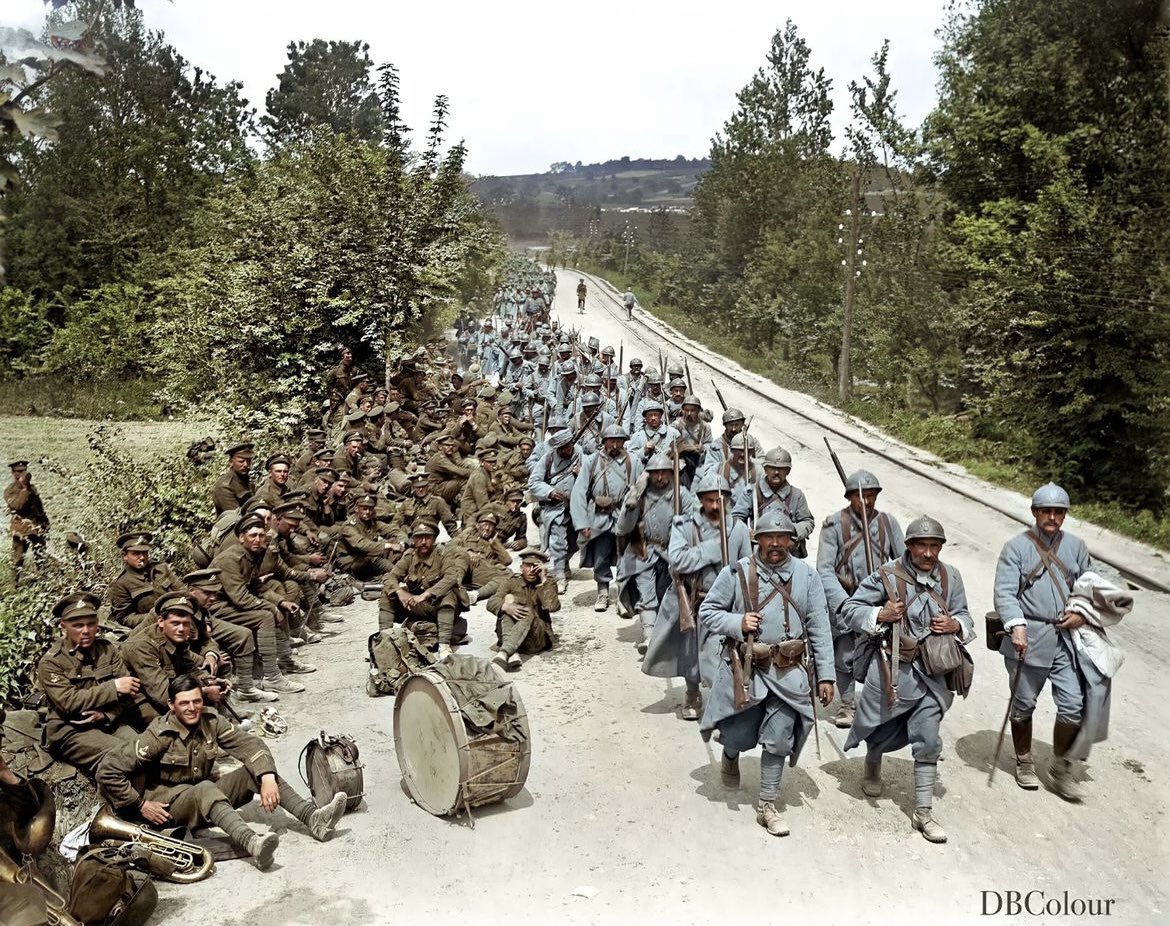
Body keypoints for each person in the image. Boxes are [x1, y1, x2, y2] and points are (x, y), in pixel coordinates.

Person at [97, 675, 347, 871]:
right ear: (171, 706)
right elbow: (107, 771)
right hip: (170, 810)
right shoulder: (157, 736)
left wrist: (267, 777)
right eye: (184, 703)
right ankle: (253, 843)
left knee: (254, 772)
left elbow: (251, 746)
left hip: (206, 800)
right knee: (206, 788)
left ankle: (314, 819)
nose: (192, 708)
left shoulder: (211, 721)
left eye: (197, 701)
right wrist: (140, 805)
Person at [698, 511, 835, 836]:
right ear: (757, 539)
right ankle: (730, 753)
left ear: (792, 540)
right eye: (768, 537)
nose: (775, 544)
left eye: (782, 537)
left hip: (789, 672)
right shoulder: (736, 572)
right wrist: (737, 622)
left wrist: (826, 674)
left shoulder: (807, 576)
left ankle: (767, 805)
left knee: (778, 737)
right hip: (748, 670)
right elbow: (708, 611)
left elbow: (819, 626)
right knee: (739, 734)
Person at [842, 516, 973, 844]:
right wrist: (879, 615)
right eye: (921, 546)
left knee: (928, 739)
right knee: (877, 725)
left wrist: (955, 625)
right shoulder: (886, 575)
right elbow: (850, 608)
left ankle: (923, 812)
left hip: (934, 672)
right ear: (910, 547)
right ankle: (873, 759)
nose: (928, 553)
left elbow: (966, 615)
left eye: (934, 546)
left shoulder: (950, 576)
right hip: (892, 668)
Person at [992, 482, 1098, 801]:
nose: (1052, 517)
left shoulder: (1077, 547)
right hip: (1028, 636)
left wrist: (1080, 612)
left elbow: (1089, 588)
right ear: (1035, 513)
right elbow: (1004, 593)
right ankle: (1024, 761)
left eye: (1058, 512)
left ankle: (1059, 766)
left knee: (1073, 705)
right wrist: (1017, 625)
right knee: (1023, 704)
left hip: (1066, 638)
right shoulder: (1016, 548)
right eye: (1046, 511)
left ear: (1064, 515)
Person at [642, 472, 751, 720]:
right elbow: (677, 561)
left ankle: (722, 699)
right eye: (709, 500)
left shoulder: (739, 529)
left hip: (726, 604)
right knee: (690, 651)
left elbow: (747, 567)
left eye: (719, 501)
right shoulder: (684, 526)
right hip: (692, 598)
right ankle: (692, 693)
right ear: (700, 500)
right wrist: (711, 550)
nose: (714, 506)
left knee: (723, 652)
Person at [816, 470, 904, 730]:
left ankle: (884, 699)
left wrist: (895, 598)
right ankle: (847, 703)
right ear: (849, 497)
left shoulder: (889, 523)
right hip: (847, 595)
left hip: (879, 599)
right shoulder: (834, 525)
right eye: (858, 496)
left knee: (885, 651)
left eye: (870, 496)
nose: (865, 502)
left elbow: (903, 564)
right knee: (845, 654)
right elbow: (824, 569)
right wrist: (843, 605)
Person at [37, 592, 157, 771]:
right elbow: (69, 702)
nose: (86, 631)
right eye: (77, 625)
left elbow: (128, 693)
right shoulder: (51, 662)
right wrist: (114, 687)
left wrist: (106, 715)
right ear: (63, 626)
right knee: (126, 755)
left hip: (109, 721)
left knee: (146, 750)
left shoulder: (107, 650)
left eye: (91, 624)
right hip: (71, 730)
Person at [210, 515, 307, 696]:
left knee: (278, 606)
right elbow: (240, 597)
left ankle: (284, 659)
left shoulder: (252, 554)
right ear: (241, 538)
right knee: (265, 616)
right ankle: (272, 677)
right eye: (252, 535)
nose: (257, 540)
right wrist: (271, 607)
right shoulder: (230, 559)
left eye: (261, 535)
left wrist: (280, 601)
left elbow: (254, 585)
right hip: (216, 608)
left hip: (230, 603)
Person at [615, 452, 696, 650]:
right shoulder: (638, 495)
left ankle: (669, 634)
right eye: (655, 473)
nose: (660, 478)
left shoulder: (681, 494)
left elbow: (694, 523)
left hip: (672, 552)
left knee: (670, 594)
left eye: (664, 473)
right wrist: (631, 505)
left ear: (671, 473)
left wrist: (682, 528)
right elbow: (622, 528)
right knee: (647, 593)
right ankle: (649, 633)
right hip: (644, 550)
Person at [120, 592, 227, 715]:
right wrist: (204, 692)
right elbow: (163, 696)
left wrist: (210, 681)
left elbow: (191, 669)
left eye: (186, 623)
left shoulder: (175, 638)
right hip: (136, 701)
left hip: (158, 693)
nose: (181, 629)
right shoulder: (142, 647)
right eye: (175, 623)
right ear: (160, 621)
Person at [571, 424, 640, 612]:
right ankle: (602, 591)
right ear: (604, 442)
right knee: (601, 556)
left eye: (619, 441)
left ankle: (623, 594)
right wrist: (582, 522)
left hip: (624, 516)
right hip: (599, 516)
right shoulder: (592, 461)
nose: (615, 445)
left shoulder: (633, 461)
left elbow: (641, 489)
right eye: (611, 441)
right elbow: (579, 493)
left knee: (626, 557)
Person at [378, 521, 470, 659]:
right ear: (413, 540)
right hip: (417, 606)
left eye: (428, 538)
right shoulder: (409, 556)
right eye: (419, 538)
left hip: (438, 606)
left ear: (434, 539)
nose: (423, 542)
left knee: (448, 594)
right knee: (387, 592)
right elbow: (391, 576)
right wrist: (399, 591)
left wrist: (426, 595)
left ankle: (444, 646)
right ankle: (385, 641)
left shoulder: (443, 554)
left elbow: (451, 578)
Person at [732, 448, 815, 556]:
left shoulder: (796, 495)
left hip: (788, 553)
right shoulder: (751, 492)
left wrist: (792, 533)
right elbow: (735, 517)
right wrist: (747, 532)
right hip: (759, 551)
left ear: (788, 471)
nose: (776, 472)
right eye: (772, 468)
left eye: (781, 469)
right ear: (765, 469)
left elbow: (807, 521)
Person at [488, 549, 560, 671]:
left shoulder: (548, 582)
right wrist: (506, 606)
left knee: (526, 610)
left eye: (535, 566)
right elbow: (491, 602)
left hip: (537, 637)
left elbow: (552, 606)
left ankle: (505, 652)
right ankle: (513, 652)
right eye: (528, 566)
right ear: (522, 567)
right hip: (512, 633)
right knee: (508, 603)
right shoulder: (511, 582)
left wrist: (543, 579)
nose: (532, 570)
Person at [528, 429, 580, 594]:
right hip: (555, 507)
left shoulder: (579, 454)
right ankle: (559, 576)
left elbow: (591, 476)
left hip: (576, 507)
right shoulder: (547, 459)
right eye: (562, 448)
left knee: (576, 542)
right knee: (557, 542)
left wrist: (581, 473)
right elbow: (534, 482)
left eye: (568, 446)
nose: (566, 450)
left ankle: (564, 563)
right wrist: (549, 491)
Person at [5, 459, 48, 578]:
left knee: (41, 558)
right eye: (18, 471)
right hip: (21, 529)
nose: (22, 474)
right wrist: (24, 489)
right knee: (17, 560)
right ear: (13, 473)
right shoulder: (10, 490)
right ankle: (14, 587)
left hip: (36, 528)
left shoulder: (32, 488)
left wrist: (45, 523)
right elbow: (17, 506)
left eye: (24, 471)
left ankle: (44, 583)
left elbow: (39, 508)